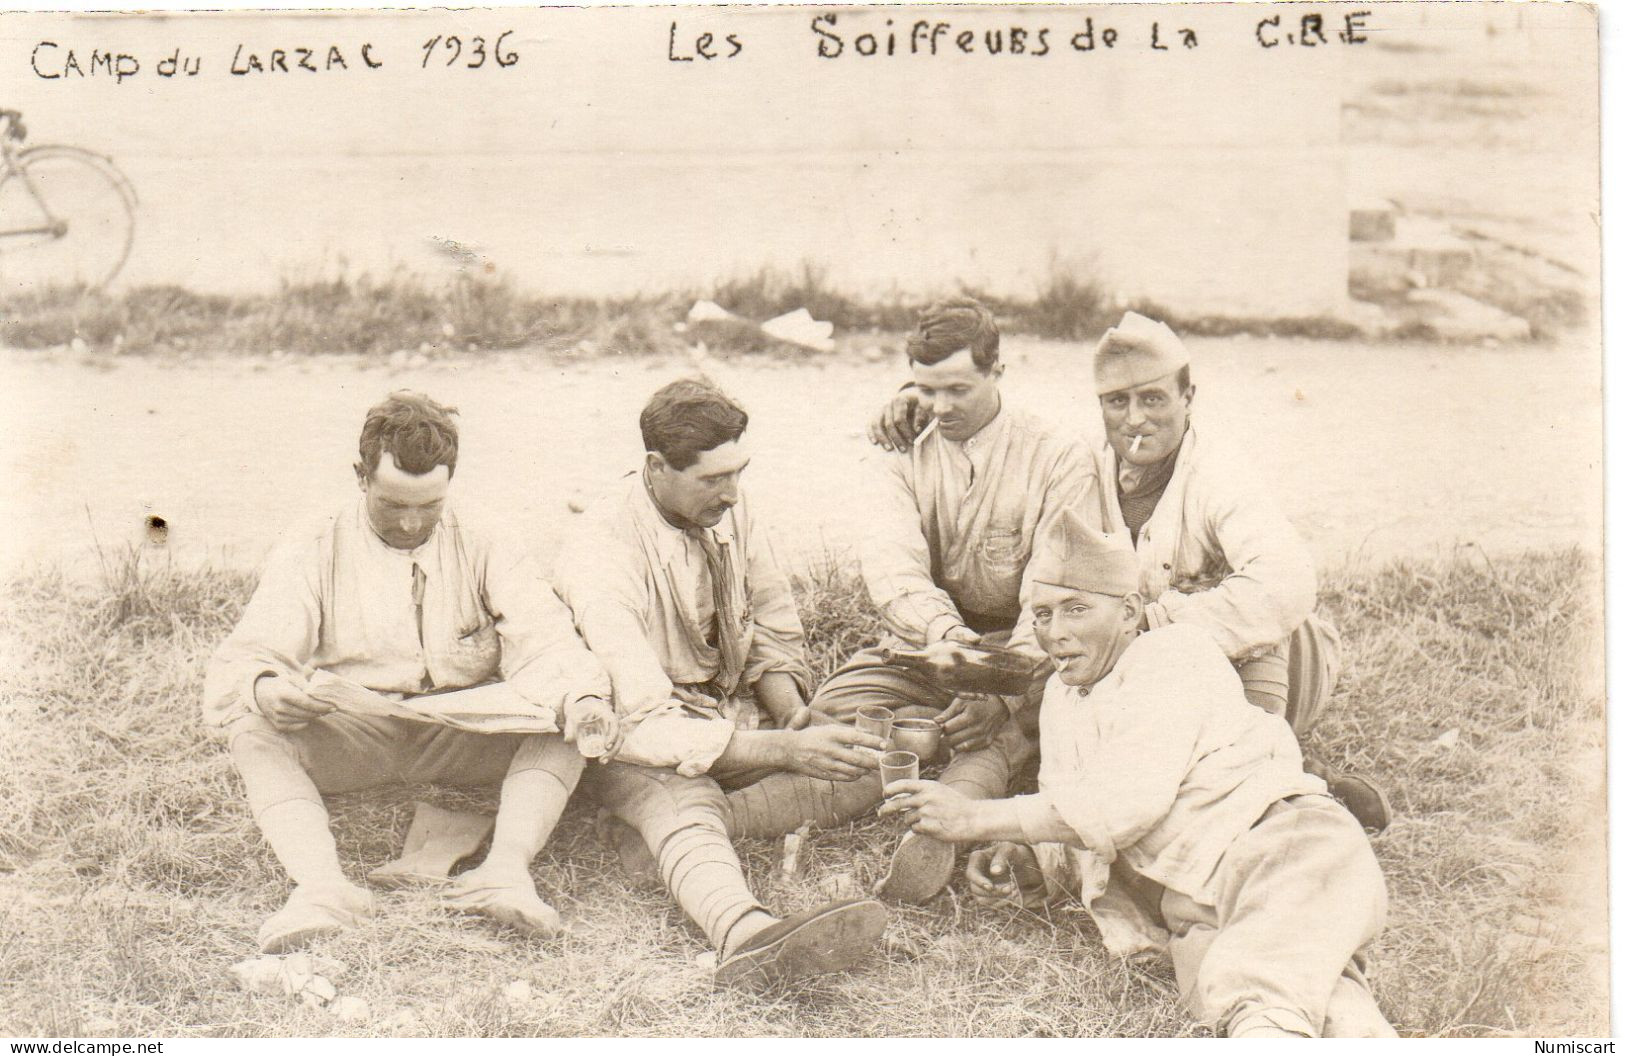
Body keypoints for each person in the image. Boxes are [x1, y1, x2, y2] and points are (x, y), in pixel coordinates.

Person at [868, 310, 1390, 832]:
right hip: (1141, 663)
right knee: (1070, 694)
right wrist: (916, 399)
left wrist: (1153, 623)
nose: (1136, 419)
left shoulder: (1219, 473)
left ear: (1188, 397)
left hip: (1248, 654)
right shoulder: (1082, 462)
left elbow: (1285, 583)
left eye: (1154, 399)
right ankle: (988, 798)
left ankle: (1298, 781)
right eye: (1118, 402)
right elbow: (999, 421)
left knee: (1219, 742)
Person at [880, 512, 1396, 1038]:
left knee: (1259, 1001)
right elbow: (1073, 813)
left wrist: (974, 819)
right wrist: (1030, 860)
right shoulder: (1062, 697)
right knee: (1308, 1004)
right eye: (1042, 616)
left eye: (1075, 610)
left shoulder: (1172, 656)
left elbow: (1121, 806)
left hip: (1282, 851)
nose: (1055, 634)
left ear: (1129, 611)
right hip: (1195, 906)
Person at [203, 391, 619, 953]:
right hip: (355, 732)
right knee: (253, 729)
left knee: (565, 723)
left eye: (429, 505)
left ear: (451, 484)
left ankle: (503, 874)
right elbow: (251, 652)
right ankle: (323, 889)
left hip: (465, 732)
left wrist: (580, 698)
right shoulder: (314, 541)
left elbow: (545, 639)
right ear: (360, 476)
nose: (411, 522)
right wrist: (267, 686)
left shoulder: (488, 537)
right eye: (393, 503)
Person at [553, 377, 888, 988]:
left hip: (728, 718)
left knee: (868, 758)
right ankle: (744, 933)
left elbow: (771, 622)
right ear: (656, 467)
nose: (733, 493)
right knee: (684, 798)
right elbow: (641, 720)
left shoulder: (727, 506)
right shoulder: (599, 551)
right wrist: (784, 752)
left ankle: (657, 846)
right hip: (636, 739)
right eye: (713, 479)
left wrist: (794, 717)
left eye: (739, 472)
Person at [810, 296, 1099, 902]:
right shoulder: (903, 446)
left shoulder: (1058, 453)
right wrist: (948, 644)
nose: (940, 408)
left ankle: (948, 816)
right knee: (839, 707)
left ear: (998, 372)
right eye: (926, 389)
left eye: (958, 390)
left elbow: (1054, 590)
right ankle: (957, 753)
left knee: (1040, 708)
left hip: (1030, 646)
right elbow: (892, 566)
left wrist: (1001, 683)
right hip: (938, 641)